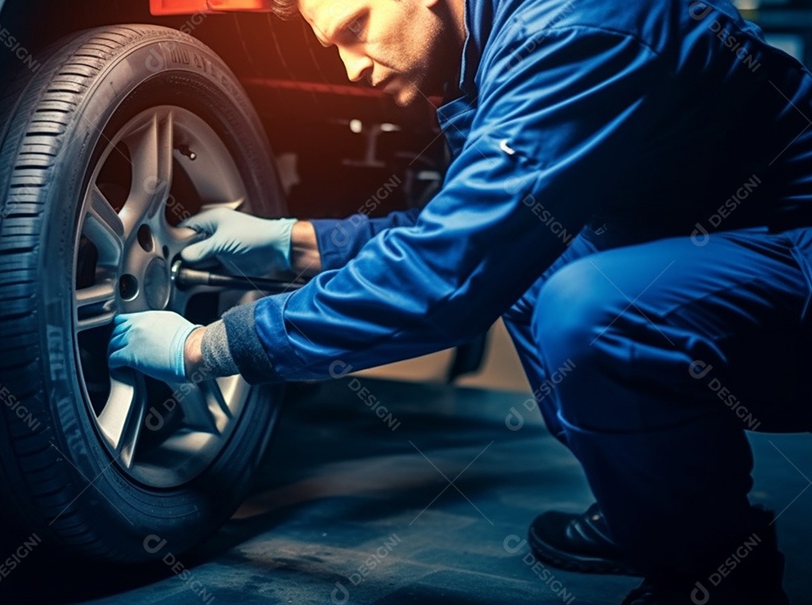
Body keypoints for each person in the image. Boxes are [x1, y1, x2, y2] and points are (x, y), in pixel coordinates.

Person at [108, 0, 812, 602]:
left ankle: (717, 576)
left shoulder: (576, 28)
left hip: (797, 260)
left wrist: (206, 348)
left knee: (594, 308)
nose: (352, 67)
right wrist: (286, 241)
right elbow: (472, 227)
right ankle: (650, 507)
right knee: (536, 258)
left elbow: (448, 272)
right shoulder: (487, 47)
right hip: (724, 247)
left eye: (355, 27)